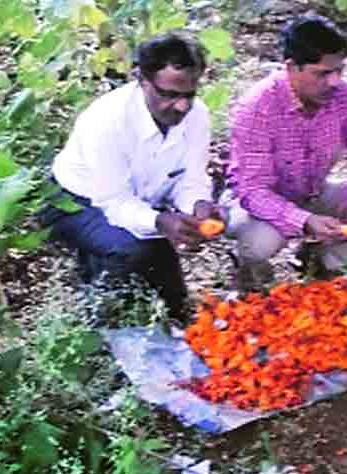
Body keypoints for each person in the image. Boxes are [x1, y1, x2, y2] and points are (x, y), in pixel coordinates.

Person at [42, 31, 224, 320]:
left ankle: (173, 324)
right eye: (168, 95)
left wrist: (199, 207)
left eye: (188, 94)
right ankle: (106, 321)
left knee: (170, 290)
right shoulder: (106, 121)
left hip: (136, 198)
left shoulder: (197, 115)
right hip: (73, 201)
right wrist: (161, 222)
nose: (181, 107)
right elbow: (114, 202)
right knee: (136, 252)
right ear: (142, 81)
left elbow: (190, 179)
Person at [227, 15, 347, 288]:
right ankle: (250, 273)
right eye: (323, 73)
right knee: (259, 243)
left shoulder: (344, 97)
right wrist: (305, 221)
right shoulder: (258, 107)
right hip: (257, 204)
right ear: (291, 68)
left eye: (339, 71)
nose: (334, 81)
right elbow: (252, 191)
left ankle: (320, 261)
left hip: (314, 192)